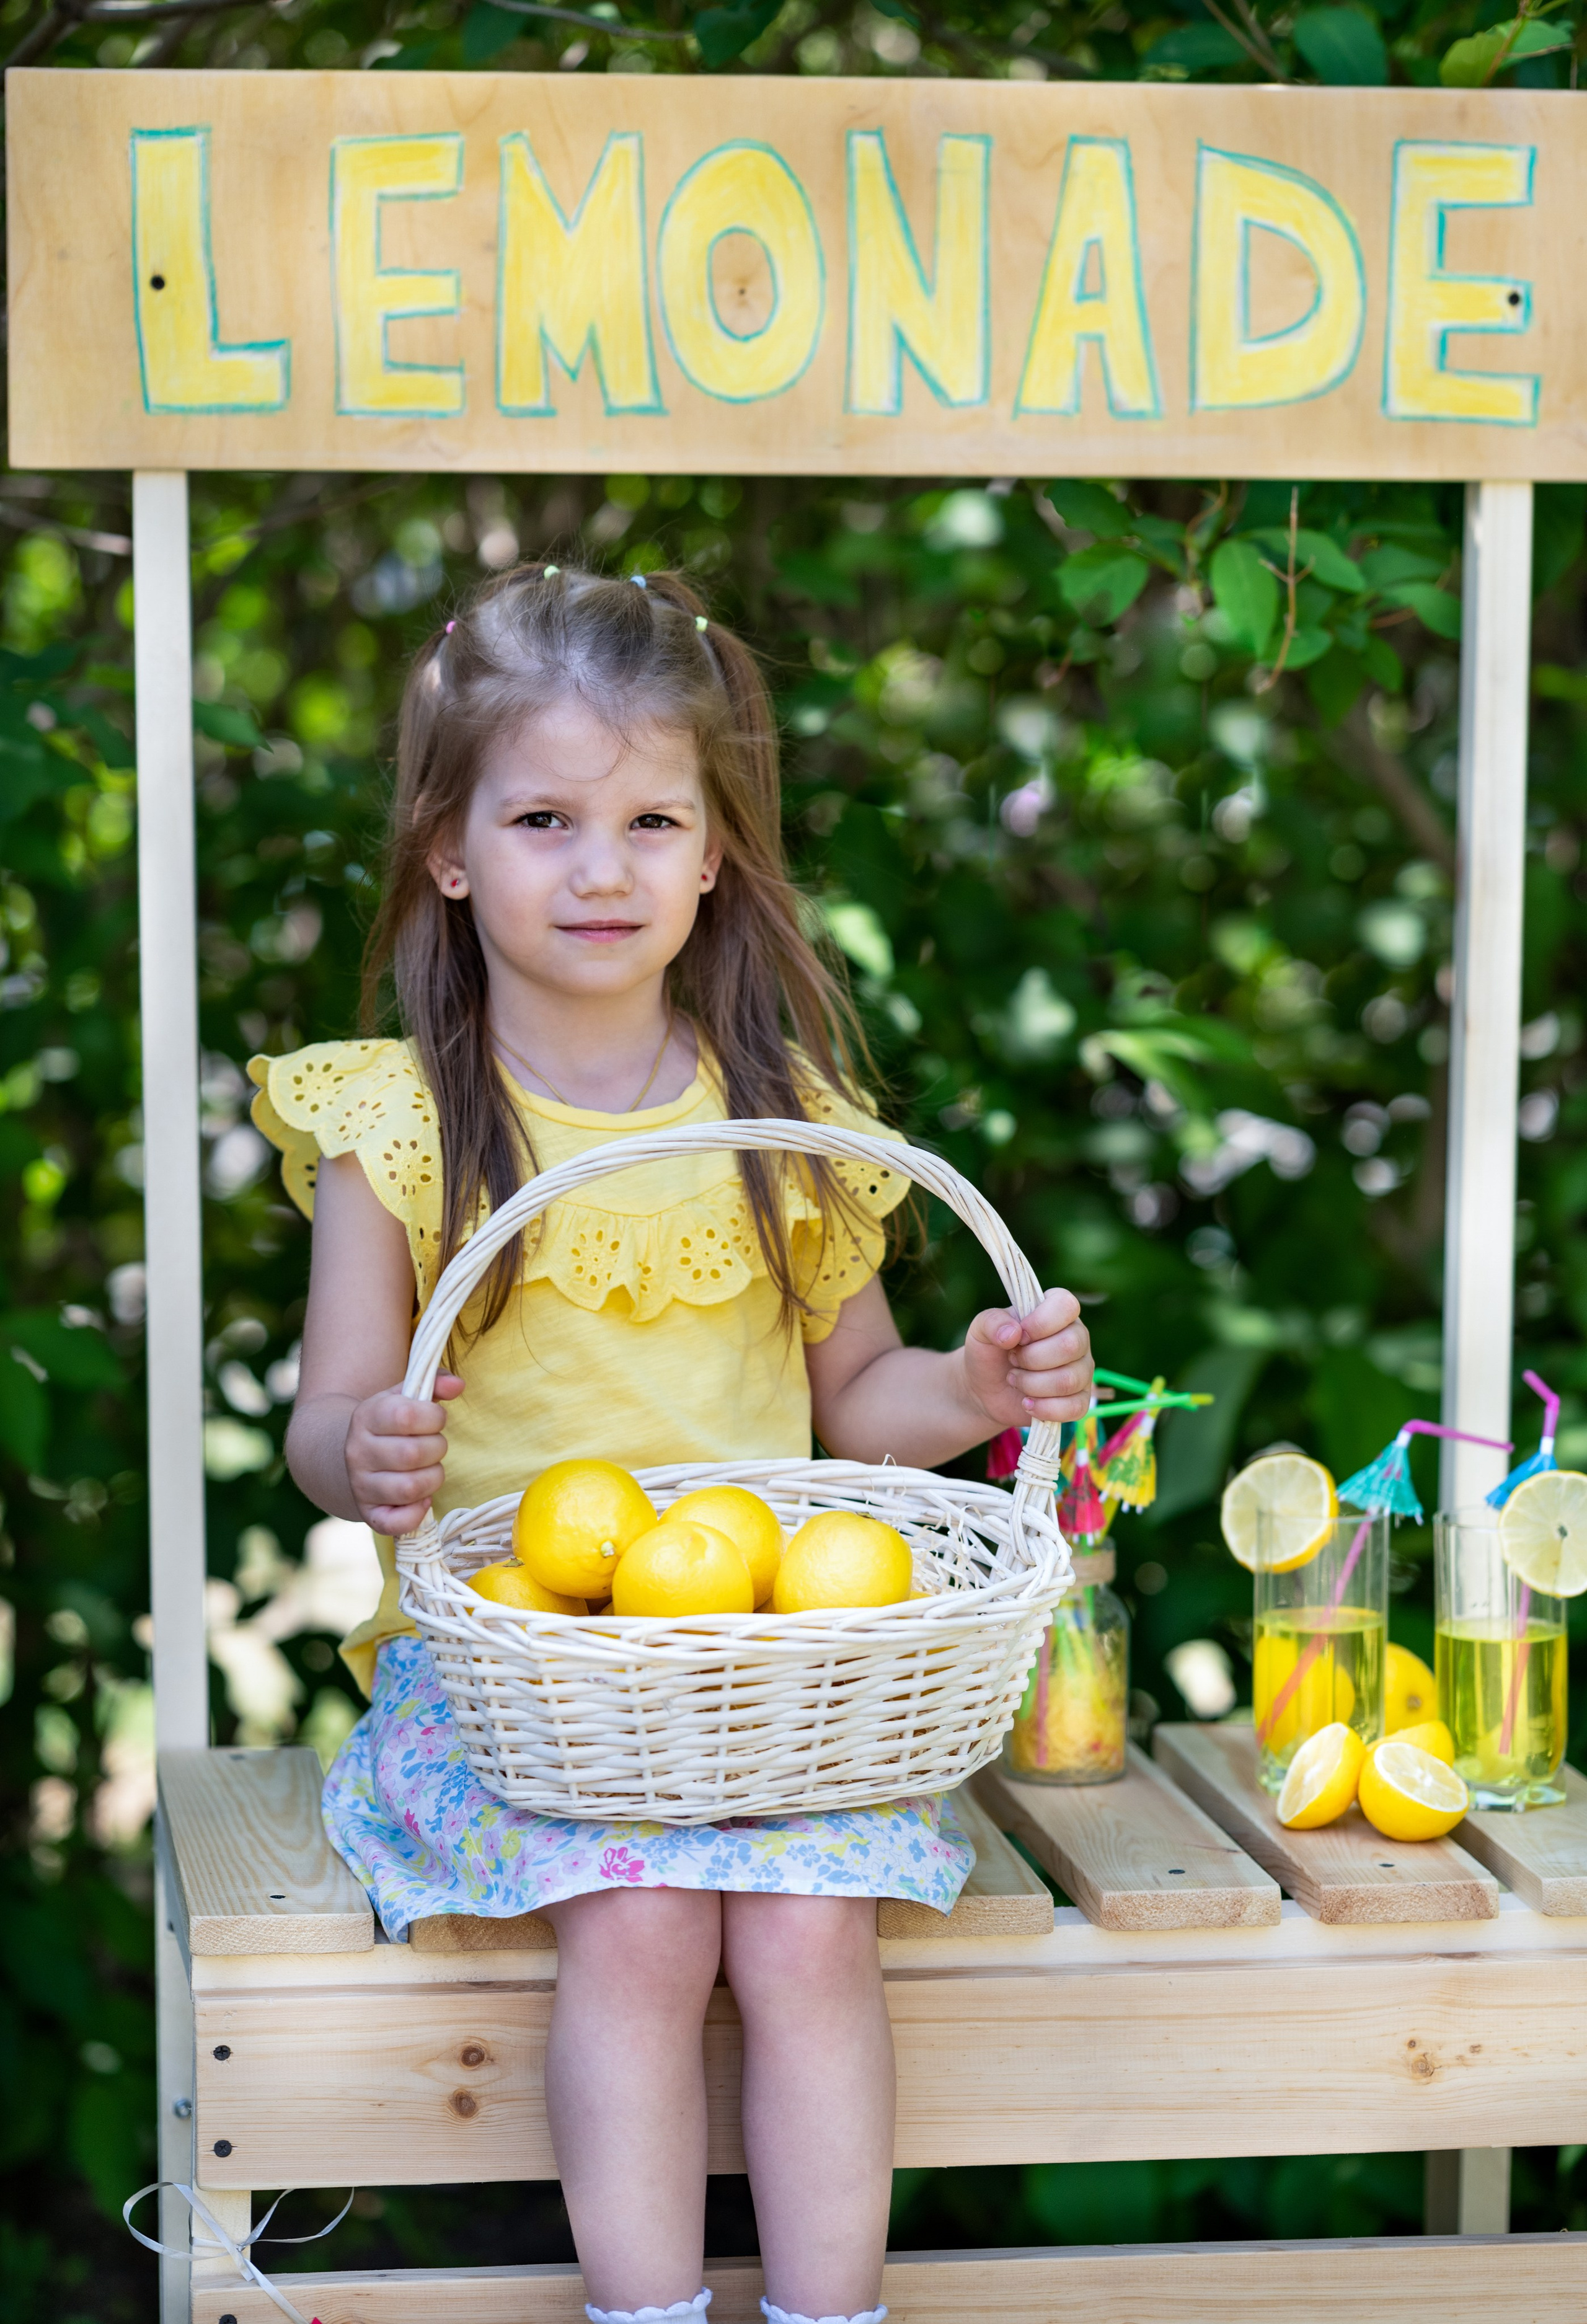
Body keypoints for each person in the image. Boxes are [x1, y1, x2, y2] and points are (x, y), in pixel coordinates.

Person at [251, 562, 1093, 2324]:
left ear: (715, 854)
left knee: (803, 1926)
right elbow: (327, 1425)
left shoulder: (779, 1122)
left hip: (764, 1678)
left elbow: (863, 1413)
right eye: (545, 818)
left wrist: (979, 1387)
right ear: (451, 852)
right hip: (520, 1694)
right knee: (641, 1925)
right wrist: (371, 1455)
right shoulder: (400, 1126)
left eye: (651, 820)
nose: (603, 866)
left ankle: (826, 2313)